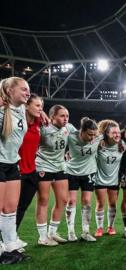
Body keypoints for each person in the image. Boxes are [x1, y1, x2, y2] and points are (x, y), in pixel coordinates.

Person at [0, 77, 31, 264]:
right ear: (10, 91)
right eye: (23, 89)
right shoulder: (2, 111)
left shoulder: (20, 109)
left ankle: (11, 245)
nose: (28, 92)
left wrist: (41, 112)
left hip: (12, 164)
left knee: (11, 208)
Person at [35, 104, 76, 245]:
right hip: (43, 166)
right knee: (43, 200)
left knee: (63, 200)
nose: (65, 119)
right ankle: (42, 237)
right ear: (52, 117)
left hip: (59, 166)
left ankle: (52, 233)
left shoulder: (68, 128)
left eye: (67, 116)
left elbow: (81, 138)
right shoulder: (43, 128)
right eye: (62, 116)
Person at [65, 118, 101, 242]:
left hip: (89, 172)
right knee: (71, 202)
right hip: (71, 172)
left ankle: (85, 232)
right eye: (90, 134)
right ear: (82, 131)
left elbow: (115, 133)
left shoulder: (98, 137)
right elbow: (62, 126)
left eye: (94, 135)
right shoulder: (71, 135)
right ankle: (71, 232)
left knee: (86, 201)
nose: (92, 138)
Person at [16, 94, 44, 229]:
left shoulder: (38, 122)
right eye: (37, 106)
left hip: (32, 171)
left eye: (42, 106)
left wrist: (42, 112)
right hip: (16, 170)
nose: (40, 109)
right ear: (26, 105)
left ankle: (11, 238)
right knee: (8, 208)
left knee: (22, 207)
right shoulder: (17, 121)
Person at [94, 120, 125, 237]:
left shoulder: (122, 145)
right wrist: (100, 136)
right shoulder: (99, 144)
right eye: (114, 133)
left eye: (118, 132)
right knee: (100, 203)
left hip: (114, 180)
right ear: (106, 134)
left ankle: (111, 227)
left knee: (112, 204)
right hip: (100, 179)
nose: (117, 135)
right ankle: (99, 228)